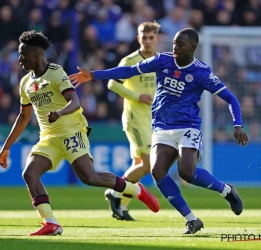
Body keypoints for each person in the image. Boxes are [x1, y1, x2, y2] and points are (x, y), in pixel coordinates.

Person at [69, 28, 249, 234]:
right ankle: (191, 219)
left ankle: (226, 190)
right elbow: (129, 71)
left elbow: (231, 98)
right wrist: (93, 75)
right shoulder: (162, 60)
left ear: (192, 47)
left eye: (180, 44)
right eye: (174, 42)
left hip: (188, 126)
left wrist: (237, 124)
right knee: (157, 171)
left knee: (186, 173)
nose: (175, 47)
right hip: (162, 127)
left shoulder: (202, 72)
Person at [0, 30, 160, 236]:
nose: (19, 59)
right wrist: (6, 148)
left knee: (89, 178)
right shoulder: (25, 83)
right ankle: (51, 222)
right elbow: (23, 116)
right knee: (30, 173)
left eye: (22, 54)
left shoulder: (56, 73)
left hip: (72, 132)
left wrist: (60, 113)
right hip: (48, 138)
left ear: (35, 54)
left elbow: (75, 102)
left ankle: (136, 190)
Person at [104, 22, 160, 221]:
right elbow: (112, 83)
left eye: (151, 37)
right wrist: (137, 96)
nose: (147, 41)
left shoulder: (161, 61)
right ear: (138, 39)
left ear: (157, 39)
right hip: (135, 119)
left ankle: (121, 207)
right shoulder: (130, 60)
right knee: (148, 164)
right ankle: (115, 193)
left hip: (154, 120)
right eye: (143, 37)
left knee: (139, 164)